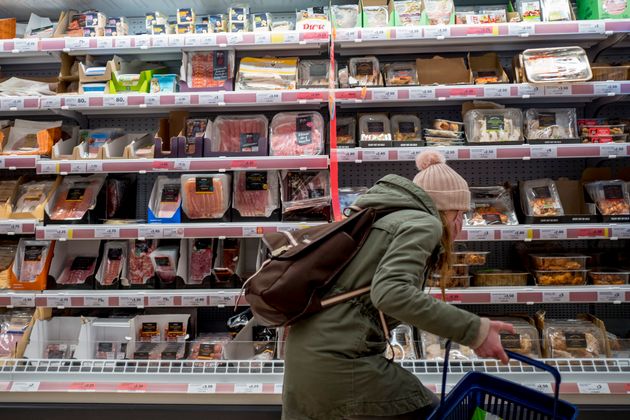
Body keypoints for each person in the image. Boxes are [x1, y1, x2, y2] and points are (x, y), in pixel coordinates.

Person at [282, 151, 515, 420]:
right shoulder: (424, 223)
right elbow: (391, 293)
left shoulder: (385, 219)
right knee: (436, 411)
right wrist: (475, 330)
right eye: (459, 213)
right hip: (340, 363)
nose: (461, 224)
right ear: (444, 210)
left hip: (311, 358)